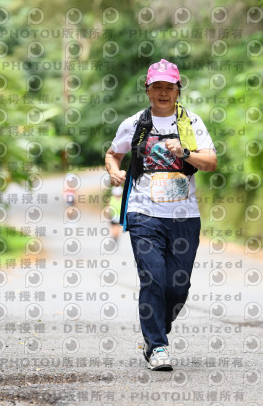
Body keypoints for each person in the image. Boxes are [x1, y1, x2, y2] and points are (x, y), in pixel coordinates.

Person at [104, 59, 217, 371]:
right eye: (157, 87)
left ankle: (156, 327)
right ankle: (157, 346)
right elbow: (113, 154)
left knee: (178, 287)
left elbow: (210, 162)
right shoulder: (134, 124)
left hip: (184, 216)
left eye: (169, 87)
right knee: (153, 278)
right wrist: (114, 170)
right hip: (143, 213)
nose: (163, 93)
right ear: (148, 90)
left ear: (178, 90)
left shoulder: (191, 123)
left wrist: (184, 152)